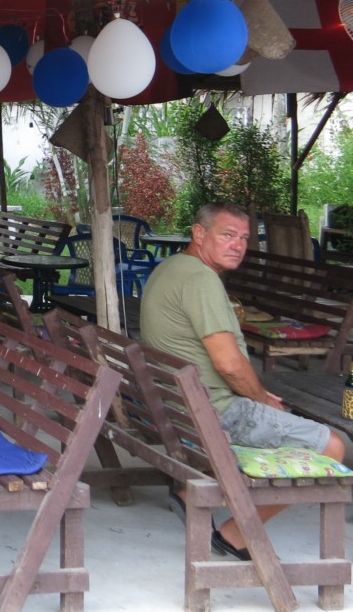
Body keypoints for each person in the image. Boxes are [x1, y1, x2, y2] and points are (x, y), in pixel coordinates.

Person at [140, 202, 347, 560]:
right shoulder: (201, 279)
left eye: (244, 238)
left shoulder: (171, 267)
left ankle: (188, 495)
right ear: (199, 233)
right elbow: (230, 365)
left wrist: (257, 395)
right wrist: (261, 400)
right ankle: (235, 534)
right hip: (214, 413)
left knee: (284, 411)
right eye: (227, 235)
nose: (237, 245)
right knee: (333, 446)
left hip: (177, 407)